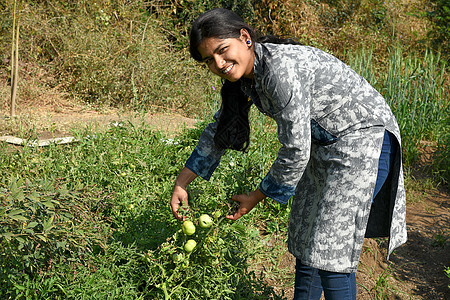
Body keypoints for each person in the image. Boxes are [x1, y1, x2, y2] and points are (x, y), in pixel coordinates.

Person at [170, 7, 407, 300]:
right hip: (328, 144)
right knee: (306, 241)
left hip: (363, 140)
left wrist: (255, 197)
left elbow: (295, 149)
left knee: (332, 251)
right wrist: (182, 182)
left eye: (222, 51)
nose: (219, 63)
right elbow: (220, 128)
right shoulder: (247, 77)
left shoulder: (280, 70)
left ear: (244, 37)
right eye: (210, 60)